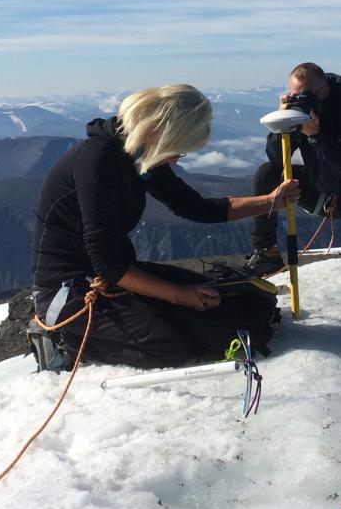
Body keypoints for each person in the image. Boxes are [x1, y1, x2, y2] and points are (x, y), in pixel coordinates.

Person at [30, 84, 300, 370]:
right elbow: (107, 262)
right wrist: (179, 295)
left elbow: (196, 207)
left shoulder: (139, 154)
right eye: (178, 150)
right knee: (171, 346)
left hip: (110, 275)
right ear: (159, 133)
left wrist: (271, 201)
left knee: (226, 300)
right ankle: (63, 340)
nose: (174, 159)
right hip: (66, 291)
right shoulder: (96, 161)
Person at [245, 62, 341, 275]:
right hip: (322, 188)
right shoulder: (303, 112)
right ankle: (266, 253)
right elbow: (277, 159)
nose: (299, 101)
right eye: (294, 95)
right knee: (267, 173)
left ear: (323, 90)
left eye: (303, 96)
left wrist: (318, 135)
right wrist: (282, 123)